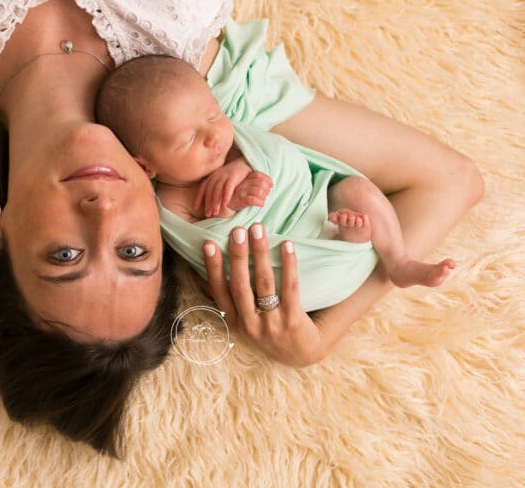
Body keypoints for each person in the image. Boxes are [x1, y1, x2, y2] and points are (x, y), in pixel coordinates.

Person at [0, 0, 484, 457]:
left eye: (65, 257)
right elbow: (450, 180)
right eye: (133, 251)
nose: (104, 213)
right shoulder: (212, 104)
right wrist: (324, 335)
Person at [95, 55, 457, 312]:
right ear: (146, 166)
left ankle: (398, 259)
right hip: (290, 269)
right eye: (188, 140)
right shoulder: (171, 204)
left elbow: (280, 157)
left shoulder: (234, 145)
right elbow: (213, 243)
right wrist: (233, 204)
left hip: (313, 208)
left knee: (357, 191)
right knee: (293, 262)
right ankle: (347, 241)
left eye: (213, 115)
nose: (213, 137)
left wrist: (245, 167)